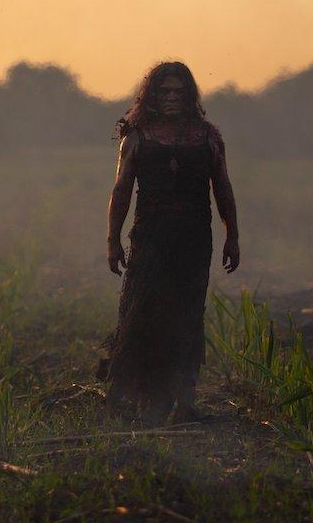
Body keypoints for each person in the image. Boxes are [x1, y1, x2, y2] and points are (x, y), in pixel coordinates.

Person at [101, 61, 240, 423]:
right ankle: (146, 397)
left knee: (188, 315)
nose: (172, 98)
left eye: (179, 92)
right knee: (147, 313)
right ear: (153, 96)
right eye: (165, 91)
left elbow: (222, 188)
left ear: (190, 95)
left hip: (195, 239)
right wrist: (113, 241)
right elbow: (121, 191)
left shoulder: (208, 137)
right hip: (150, 238)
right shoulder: (138, 138)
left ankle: (184, 400)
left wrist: (233, 236)